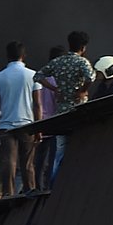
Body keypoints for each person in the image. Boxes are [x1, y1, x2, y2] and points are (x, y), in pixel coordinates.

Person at [33, 31, 96, 184]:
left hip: (61, 112)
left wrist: (55, 89)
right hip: (79, 111)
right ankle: (76, 181)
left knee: (59, 152)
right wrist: (82, 90)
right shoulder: (82, 62)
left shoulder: (58, 62)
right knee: (79, 148)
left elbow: (38, 76)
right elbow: (90, 77)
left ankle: (54, 184)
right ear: (83, 47)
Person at [0, 41, 42, 195]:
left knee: (9, 163)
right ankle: (30, 193)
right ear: (23, 55)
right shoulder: (33, 75)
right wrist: (39, 128)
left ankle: (8, 195)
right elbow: (37, 104)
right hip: (27, 124)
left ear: (7, 56)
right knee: (27, 164)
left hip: (6, 125)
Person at [33, 44, 64, 190]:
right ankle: (50, 187)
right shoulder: (58, 80)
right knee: (53, 157)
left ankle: (37, 186)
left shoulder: (41, 78)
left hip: (39, 121)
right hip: (54, 121)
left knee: (39, 158)